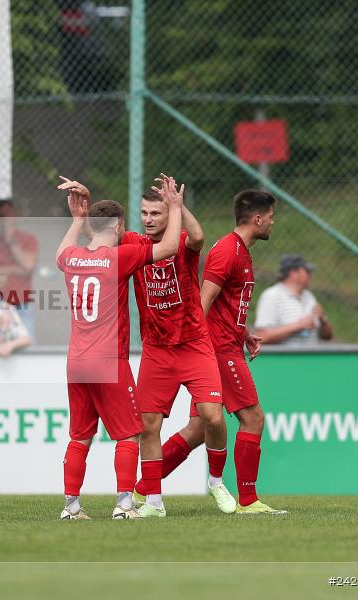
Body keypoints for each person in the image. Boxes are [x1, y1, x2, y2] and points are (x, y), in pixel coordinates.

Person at [55, 175, 182, 520]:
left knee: (80, 436)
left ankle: (71, 507)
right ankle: (125, 505)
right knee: (129, 433)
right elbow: (169, 248)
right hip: (109, 359)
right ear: (121, 226)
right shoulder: (119, 258)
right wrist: (175, 208)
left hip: (76, 362)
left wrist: (77, 219)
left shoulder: (73, 259)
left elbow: (61, 251)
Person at [122, 180, 236, 517]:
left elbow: (199, 237)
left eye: (155, 212)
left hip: (193, 345)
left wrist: (179, 206)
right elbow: (99, 236)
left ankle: (215, 482)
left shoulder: (183, 242)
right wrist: (81, 216)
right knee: (148, 425)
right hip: (156, 350)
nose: (148, 219)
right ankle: (154, 502)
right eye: (144, 212)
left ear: (168, 213)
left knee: (212, 416)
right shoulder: (134, 243)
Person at [200, 189, 286, 515]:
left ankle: (142, 492)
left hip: (229, 343)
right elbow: (203, 302)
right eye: (271, 217)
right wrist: (201, 350)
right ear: (258, 218)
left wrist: (245, 331)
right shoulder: (227, 251)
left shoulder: (241, 251)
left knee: (197, 430)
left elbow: (225, 303)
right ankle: (248, 501)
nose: (273, 223)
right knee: (253, 418)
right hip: (219, 349)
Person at [0, 200, 38, 340]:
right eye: (1, 215)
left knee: (27, 342)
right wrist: (15, 269)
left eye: (8, 214)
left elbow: (28, 266)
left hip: (21, 301)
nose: (5, 219)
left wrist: (10, 240)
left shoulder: (28, 239)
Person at [254, 254, 333, 345]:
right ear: (293, 273)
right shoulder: (272, 295)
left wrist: (323, 321)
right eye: (307, 271)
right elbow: (261, 337)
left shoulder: (309, 296)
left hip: (311, 358)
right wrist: (298, 326)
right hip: (286, 358)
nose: (310, 275)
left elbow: (328, 337)